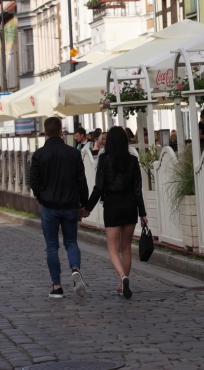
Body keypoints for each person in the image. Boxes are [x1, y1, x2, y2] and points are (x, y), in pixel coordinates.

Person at [83, 126, 147, 299]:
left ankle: (123, 277)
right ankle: (122, 284)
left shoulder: (104, 159)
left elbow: (99, 187)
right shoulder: (132, 161)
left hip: (112, 205)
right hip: (130, 205)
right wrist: (142, 213)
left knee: (113, 248)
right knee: (126, 247)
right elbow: (138, 190)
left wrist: (87, 208)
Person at [29, 117, 89, 298]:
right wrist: (84, 204)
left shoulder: (39, 155)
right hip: (70, 205)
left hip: (49, 206)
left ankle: (57, 286)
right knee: (71, 242)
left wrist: (42, 197)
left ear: (46, 132)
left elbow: (34, 182)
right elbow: (81, 181)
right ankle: (75, 268)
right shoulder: (73, 153)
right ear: (61, 131)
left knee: (52, 247)